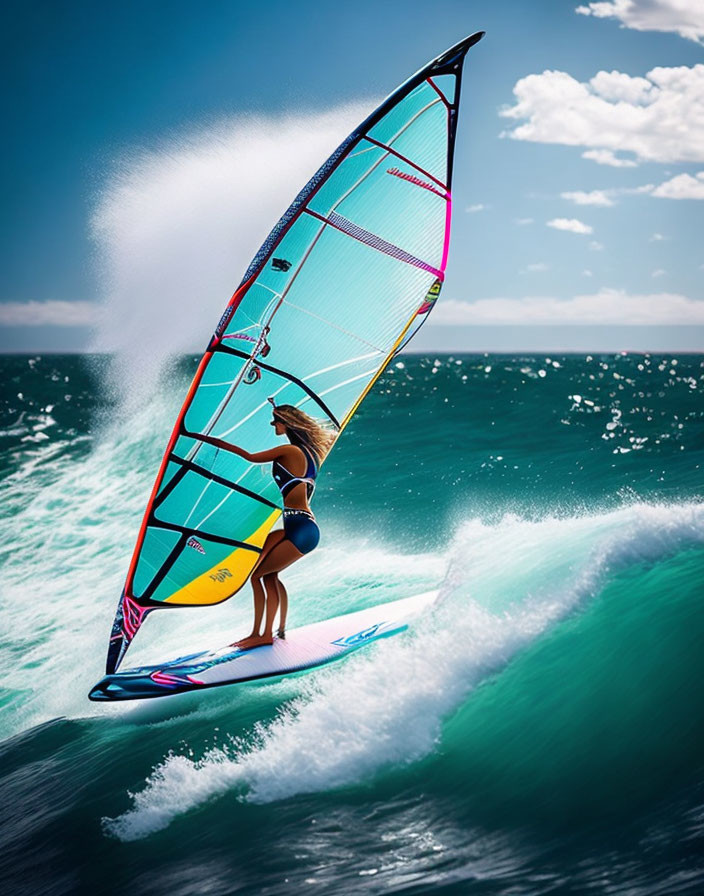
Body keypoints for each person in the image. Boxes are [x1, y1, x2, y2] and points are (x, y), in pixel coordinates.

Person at [200, 402, 335, 649]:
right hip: (299, 525)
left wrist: (205, 440)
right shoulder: (311, 453)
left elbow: (249, 457)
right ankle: (279, 629)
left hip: (301, 529)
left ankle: (262, 635)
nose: (274, 426)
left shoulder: (291, 451)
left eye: (276, 421)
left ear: (287, 423)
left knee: (260, 575)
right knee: (267, 572)